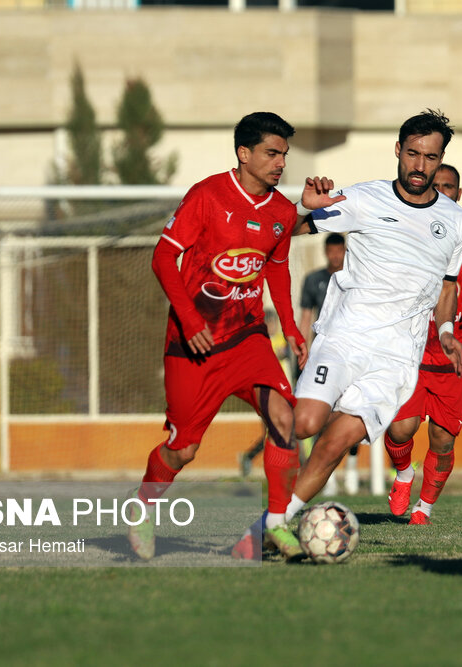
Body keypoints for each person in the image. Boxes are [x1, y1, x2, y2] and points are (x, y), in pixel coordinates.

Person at [128, 111, 317, 562]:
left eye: (284, 155)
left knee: (284, 419)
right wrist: (190, 319)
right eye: (272, 153)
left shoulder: (281, 211)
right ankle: (143, 504)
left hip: (248, 339)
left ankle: (275, 524)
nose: (280, 163)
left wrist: (290, 326)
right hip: (194, 344)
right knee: (183, 450)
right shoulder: (207, 195)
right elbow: (162, 258)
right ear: (243, 153)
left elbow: (276, 269)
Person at [279, 110, 462, 530]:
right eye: (413, 154)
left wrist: (445, 331)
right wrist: (303, 206)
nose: (420, 166)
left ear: (441, 160)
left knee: (335, 443)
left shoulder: (456, 222)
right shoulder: (365, 198)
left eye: (431, 157)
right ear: (398, 150)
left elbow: (447, 287)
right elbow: (286, 229)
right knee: (306, 423)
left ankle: (272, 524)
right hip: (345, 338)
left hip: (395, 359)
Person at [385, 163, 462, 525]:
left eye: (448, 186)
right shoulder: (409, 230)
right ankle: (404, 474)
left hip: (453, 358)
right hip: (411, 351)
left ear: (459, 193)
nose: (442, 191)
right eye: (435, 185)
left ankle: (423, 508)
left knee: (442, 439)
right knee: (400, 428)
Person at [298, 233, 360, 495]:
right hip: (322, 357)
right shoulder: (314, 280)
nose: (335, 256)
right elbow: (305, 317)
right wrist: (302, 349)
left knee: (352, 411)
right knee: (320, 415)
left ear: (345, 251)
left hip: (351, 356)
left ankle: (352, 469)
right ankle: (327, 476)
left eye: (339, 251)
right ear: (325, 252)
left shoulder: (356, 278)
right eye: (331, 251)